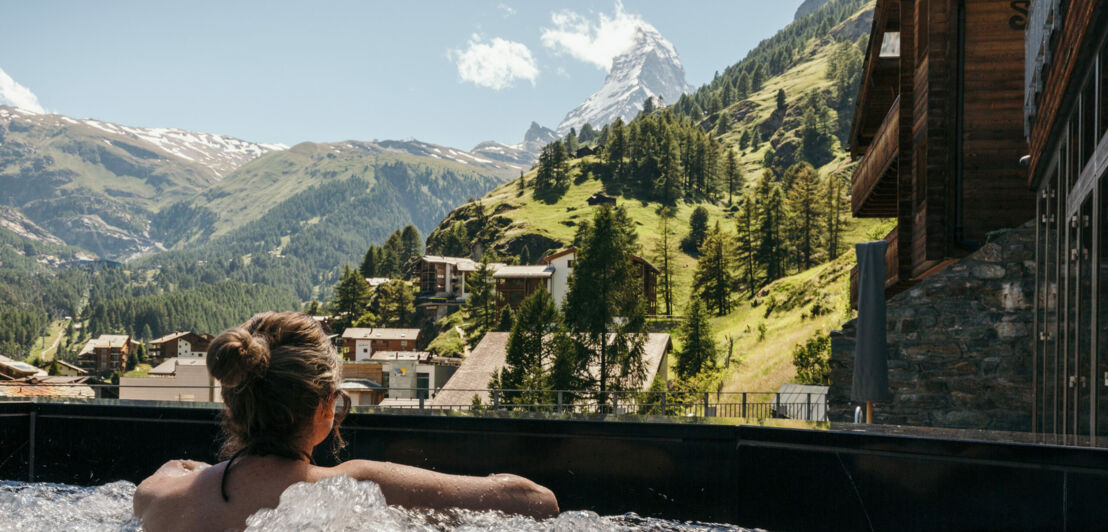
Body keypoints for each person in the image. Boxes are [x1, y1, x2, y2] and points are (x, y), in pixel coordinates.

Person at [133, 312, 558, 531]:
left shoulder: (158, 498)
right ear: (324, 408)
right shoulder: (352, 487)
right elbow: (537, 503)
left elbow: (171, 470)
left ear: (230, 405)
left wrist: (195, 472)